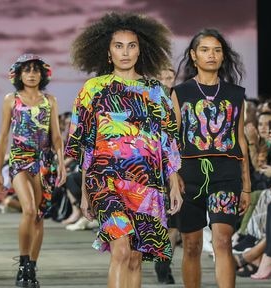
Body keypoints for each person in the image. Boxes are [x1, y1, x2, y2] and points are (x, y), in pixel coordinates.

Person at [66, 12, 183, 288]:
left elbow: (168, 140)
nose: (125, 52)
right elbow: (86, 144)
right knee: (120, 250)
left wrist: (174, 182)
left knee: (134, 256)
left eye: (131, 45)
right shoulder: (93, 89)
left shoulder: (155, 91)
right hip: (105, 181)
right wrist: (84, 191)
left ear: (141, 49)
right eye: (118, 45)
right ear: (107, 51)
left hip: (148, 183)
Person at [171, 28, 251, 288]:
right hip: (189, 174)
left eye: (217, 50)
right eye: (204, 50)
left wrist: (246, 185)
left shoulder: (236, 94)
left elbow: (241, 141)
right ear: (194, 56)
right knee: (192, 246)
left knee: (223, 240)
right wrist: (173, 177)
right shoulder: (180, 93)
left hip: (226, 173)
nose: (211, 55)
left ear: (223, 56)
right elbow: (171, 140)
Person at [0, 53, 67, 288]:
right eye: (26, 70)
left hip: (45, 162)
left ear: (43, 74)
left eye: (36, 70)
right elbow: (3, 136)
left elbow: (56, 137)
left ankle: (31, 268)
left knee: (38, 216)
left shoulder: (50, 101)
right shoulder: (11, 99)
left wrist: (62, 165)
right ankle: (24, 262)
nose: (31, 74)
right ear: (18, 75)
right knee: (28, 210)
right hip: (19, 160)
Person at [153, 65, 179, 284]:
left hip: (179, 166)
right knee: (160, 219)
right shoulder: (147, 101)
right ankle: (160, 258)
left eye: (169, 76)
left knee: (175, 222)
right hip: (152, 168)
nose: (165, 79)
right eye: (161, 76)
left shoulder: (181, 101)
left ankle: (164, 263)